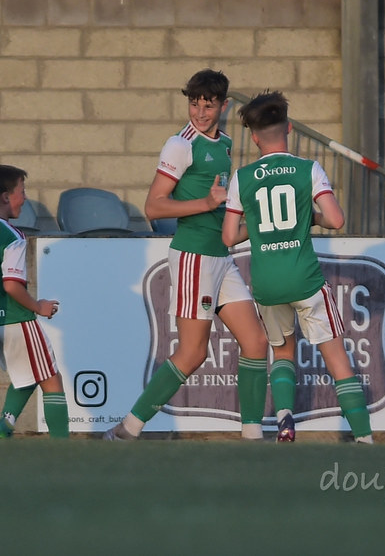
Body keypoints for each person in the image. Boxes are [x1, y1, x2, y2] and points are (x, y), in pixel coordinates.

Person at [103, 69, 270, 441]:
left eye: (208, 106)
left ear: (223, 106)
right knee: (193, 353)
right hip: (194, 257)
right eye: (194, 104)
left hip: (221, 257)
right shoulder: (180, 145)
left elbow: (219, 209)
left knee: (256, 343)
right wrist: (205, 203)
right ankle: (128, 429)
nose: (200, 113)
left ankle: (253, 438)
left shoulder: (225, 144)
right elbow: (154, 207)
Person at [222, 91, 374, 444]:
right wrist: (310, 218)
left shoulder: (242, 177)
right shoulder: (309, 169)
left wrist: (258, 227)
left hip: (267, 283)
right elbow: (336, 219)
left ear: (254, 137)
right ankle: (365, 438)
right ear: (288, 128)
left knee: (282, 351)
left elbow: (229, 236)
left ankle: (285, 418)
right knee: (336, 357)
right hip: (305, 279)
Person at [0, 164, 69, 439]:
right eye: (22, 190)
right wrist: (38, 306)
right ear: (6, 197)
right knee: (51, 378)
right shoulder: (12, 235)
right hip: (15, 318)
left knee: (28, 371)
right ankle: (63, 447)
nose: (25, 197)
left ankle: (6, 423)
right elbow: (11, 285)